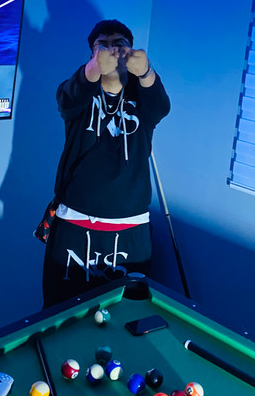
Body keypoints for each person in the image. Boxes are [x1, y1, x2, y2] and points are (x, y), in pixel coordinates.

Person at [37, 19, 170, 307]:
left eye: (120, 44)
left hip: (130, 228)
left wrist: (146, 72)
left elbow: (161, 107)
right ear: (91, 54)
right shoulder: (79, 90)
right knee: (60, 309)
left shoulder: (142, 95)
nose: (112, 51)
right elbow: (67, 99)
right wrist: (94, 70)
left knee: (127, 310)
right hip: (74, 223)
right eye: (103, 46)